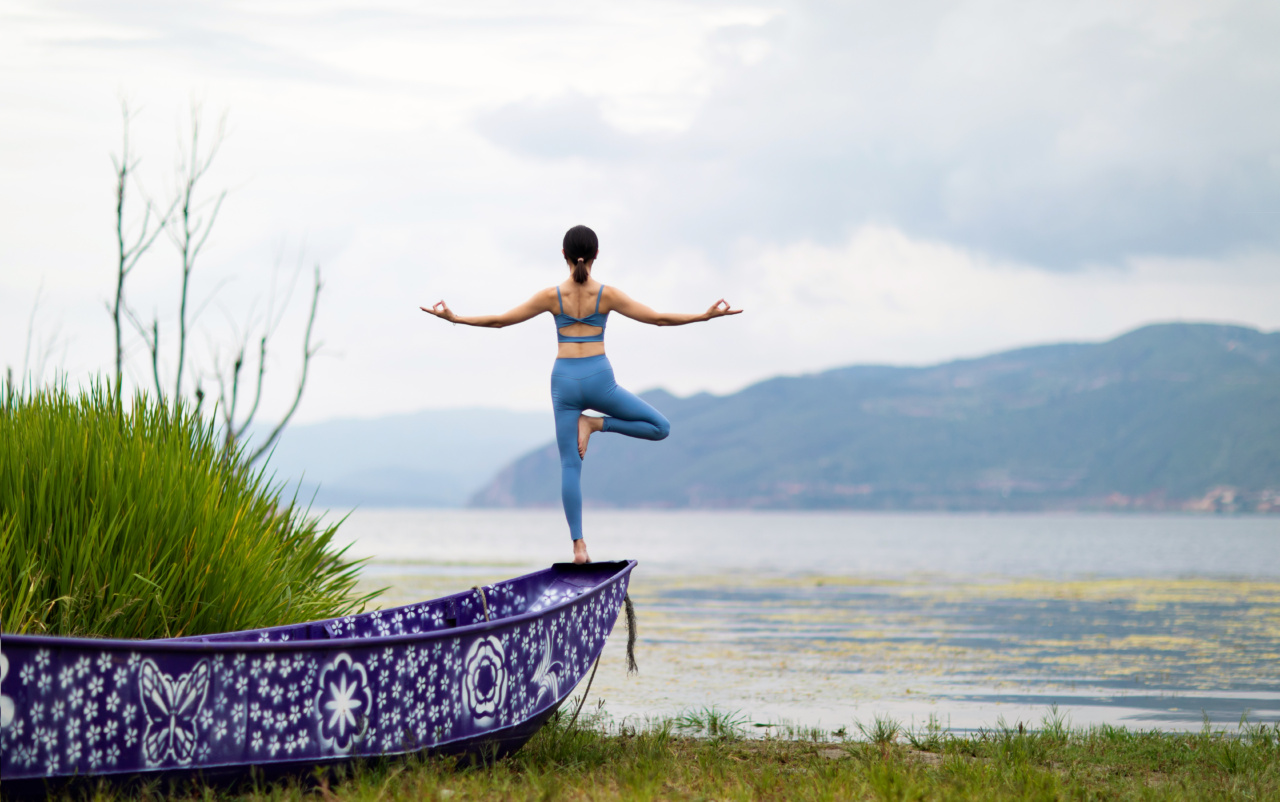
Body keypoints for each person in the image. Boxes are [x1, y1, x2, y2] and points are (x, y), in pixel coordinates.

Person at [421, 224, 741, 563]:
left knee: (569, 467)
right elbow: (659, 319)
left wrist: (454, 318)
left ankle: (579, 547)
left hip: (563, 382)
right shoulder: (607, 295)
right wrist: (704, 317)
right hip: (600, 380)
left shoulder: (550, 296)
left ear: (563, 255)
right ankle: (597, 425)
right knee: (661, 427)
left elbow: (500, 321)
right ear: (597, 255)